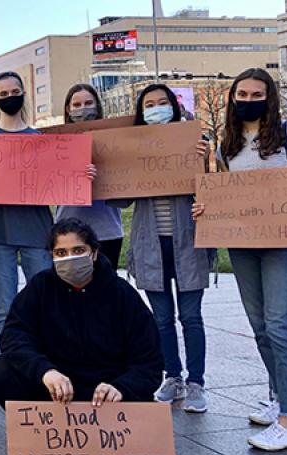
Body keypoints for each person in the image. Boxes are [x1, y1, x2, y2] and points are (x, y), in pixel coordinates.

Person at [193, 68, 287, 451]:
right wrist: (207, 209)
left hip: (284, 244)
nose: (248, 100)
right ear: (232, 98)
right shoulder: (227, 145)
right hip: (243, 245)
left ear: (269, 97)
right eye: (241, 94)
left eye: (256, 94)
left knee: (280, 324)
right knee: (260, 327)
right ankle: (279, 396)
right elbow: (225, 194)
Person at [107, 83, 213, 414]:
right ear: (141, 112)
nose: (156, 108)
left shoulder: (193, 142)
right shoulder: (134, 149)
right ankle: (173, 377)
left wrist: (204, 161)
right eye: (149, 104)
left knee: (191, 317)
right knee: (162, 319)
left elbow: (212, 192)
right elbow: (121, 201)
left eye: (162, 102)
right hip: (150, 244)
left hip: (188, 242)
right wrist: (111, 172)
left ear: (174, 106)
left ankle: (196, 382)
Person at [0, 219, 162, 406]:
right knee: (2, 370)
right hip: (56, 386)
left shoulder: (122, 294)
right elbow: (14, 335)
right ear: (52, 256)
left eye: (78, 251)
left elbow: (149, 359)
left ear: (94, 253)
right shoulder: (40, 287)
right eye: (61, 253)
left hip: (107, 389)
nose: (70, 259)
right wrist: (45, 371)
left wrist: (122, 387)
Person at [0, 71, 65, 347]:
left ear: (24, 94)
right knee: (5, 308)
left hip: (38, 233)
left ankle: (44, 365)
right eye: (4, 93)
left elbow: (59, 182)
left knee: (43, 305)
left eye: (15, 92)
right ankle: (8, 366)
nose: (10, 97)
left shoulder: (41, 141)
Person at [55, 83, 124, 271]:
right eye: (77, 105)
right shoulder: (55, 142)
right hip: (67, 229)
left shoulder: (114, 139)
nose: (83, 109)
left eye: (88, 103)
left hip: (107, 229)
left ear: (97, 106)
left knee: (105, 285)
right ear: (68, 109)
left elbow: (125, 180)